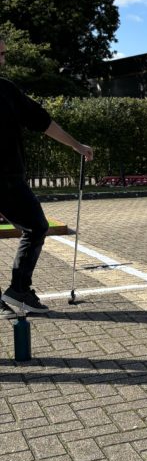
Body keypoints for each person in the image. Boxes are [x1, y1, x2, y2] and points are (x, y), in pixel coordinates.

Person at [0, 34, 94, 316]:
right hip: (6, 178)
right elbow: (43, 122)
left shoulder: (7, 90)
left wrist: (76, 145)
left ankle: (16, 293)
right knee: (36, 227)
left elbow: (41, 120)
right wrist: (77, 145)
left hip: (8, 178)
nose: (5, 59)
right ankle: (18, 291)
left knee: (35, 227)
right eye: (1, 54)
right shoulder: (4, 91)